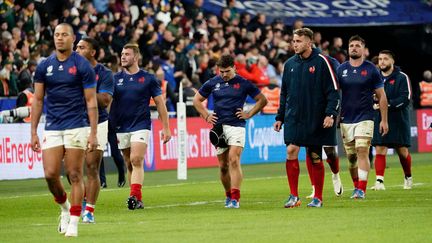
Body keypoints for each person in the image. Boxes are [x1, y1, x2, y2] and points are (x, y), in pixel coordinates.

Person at [30, 23, 98, 237]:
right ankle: (65, 209)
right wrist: (33, 131)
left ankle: (75, 223)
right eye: (57, 34)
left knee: (75, 174)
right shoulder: (44, 66)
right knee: (50, 174)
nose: (59, 38)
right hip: (52, 126)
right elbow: (38, 100)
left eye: (64, 35)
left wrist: (94, 132)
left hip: (76, 125)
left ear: (72, 38)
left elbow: (91, 101)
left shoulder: (82, 65)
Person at [273, 28, 340, 208]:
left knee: (315, 156)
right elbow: (284, 92)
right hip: (294, 116)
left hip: (316, 117)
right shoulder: (289, 64)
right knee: (291, 151)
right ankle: (294, 196)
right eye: (294, 41)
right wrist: (280, 117)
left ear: (309, 43)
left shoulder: (323, 62)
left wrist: (330, 114)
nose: (295, 44)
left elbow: (333, 91)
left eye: (299, 41)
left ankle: (318, 197)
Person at [193, 54, 268, 209]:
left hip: (236, 126)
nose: (224, 74)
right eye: (221, 71)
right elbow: (196, 100)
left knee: (234, 159)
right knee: (223, 166)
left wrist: (249, 114)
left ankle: (235, 198)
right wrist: (206, 114)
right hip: (219, 127)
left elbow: (262, 100)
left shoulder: (244, 83)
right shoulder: (213, 82)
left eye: (227, 71)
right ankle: (228, 195)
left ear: (234, 68)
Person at [110, 43, 171, 210]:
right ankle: (137, 199)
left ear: (136, 57)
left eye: (127, 54)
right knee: (129, 163)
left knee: (136, 159)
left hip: (141, 124)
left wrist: (166, 128)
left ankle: (133, 196)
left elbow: (160, 103)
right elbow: (107, 103)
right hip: (121, 126)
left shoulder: (149, 78)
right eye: (122, 54)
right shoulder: (115, 79)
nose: (123, 57)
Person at [336, 35, 388, 199]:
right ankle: (356, 186)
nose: (354, 48)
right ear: (348, 48)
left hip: (366, 117)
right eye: (351, 45)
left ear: (363, 50)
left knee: (362, 150)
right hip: (346, 118)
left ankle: (361, 190)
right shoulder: (341, 69)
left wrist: (384, 120)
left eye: (358, 45)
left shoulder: (371, 69)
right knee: (351, 158)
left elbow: (382, 96)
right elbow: (334, 93)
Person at [76, 37, 114, 223]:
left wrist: (85, 93)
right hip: (74, 122)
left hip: (97, 123)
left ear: (92, 52)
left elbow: (106, 100)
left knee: (91, 167)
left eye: (81, 47)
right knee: (72, 171)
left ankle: (89, 210)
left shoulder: (104, 73)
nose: (77, 50)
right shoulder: (71, 71)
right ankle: (82, 201)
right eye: (76, 47)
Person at [371, 50, 413, 190]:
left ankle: (408, 176)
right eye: (380, 59)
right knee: (380, 149)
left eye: (385, 59)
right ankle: (379, 182)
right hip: (380, 119)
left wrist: (387, 105)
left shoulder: (402, 77)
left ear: (392, 61)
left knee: (402, 152)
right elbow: (370, 95)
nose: (382, 62)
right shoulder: (375, 78)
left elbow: (405, 99)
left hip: (399, 120)